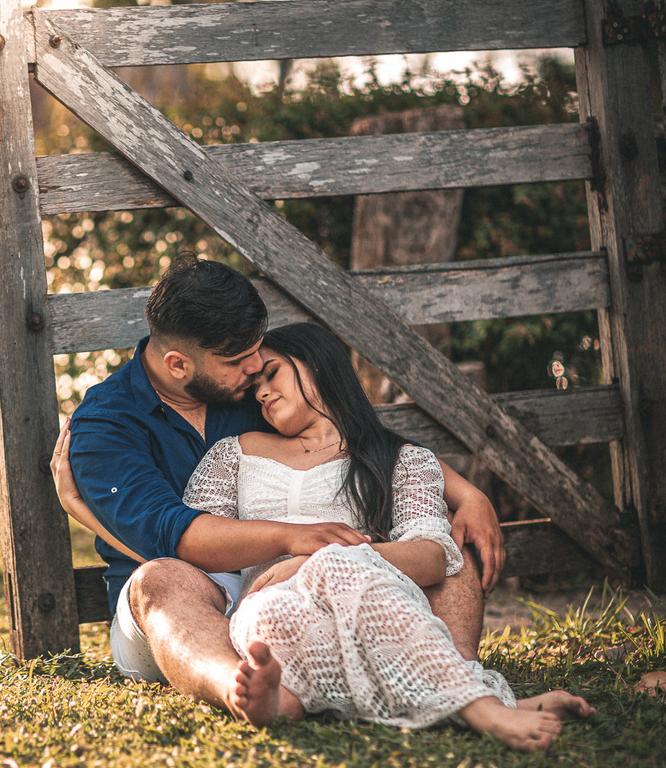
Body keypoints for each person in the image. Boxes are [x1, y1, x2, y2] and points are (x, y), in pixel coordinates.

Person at [51, 254, 506, 725]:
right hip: (182, 609)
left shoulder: (247, 390)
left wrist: (467, 493)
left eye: (258, 349)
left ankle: (456, 681)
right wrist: (294, 539)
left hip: (301, 590)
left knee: (451, 549)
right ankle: (241, 688)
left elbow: (358, 441)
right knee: (160, 579)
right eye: (237, 358)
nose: (255, 368)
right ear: (178, 364)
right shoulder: (106, 424)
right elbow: (176, 535)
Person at [181, 322, 593, 750]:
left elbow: (434, 556)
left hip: (369, 612)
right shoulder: (235, 453)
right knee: (335, 564)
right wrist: (294, 549)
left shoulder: (401, 459)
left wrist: (312, 560)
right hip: (269, 615)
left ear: (318, 365)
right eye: (255, 388)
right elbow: (200, 534)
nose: (262, 393)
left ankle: (477, 705)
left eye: (272, 374)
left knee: (339, 562)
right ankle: (488, 707)